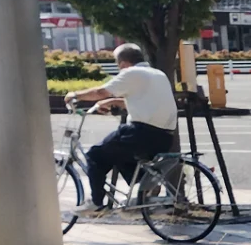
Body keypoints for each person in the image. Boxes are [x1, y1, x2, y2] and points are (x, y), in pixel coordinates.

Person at [67, 43, 178, 214]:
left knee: (95, 155)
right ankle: (146, 191)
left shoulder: (131, 72)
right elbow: (146, 102)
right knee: (120, 156)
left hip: (140, 133)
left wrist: (75, 95)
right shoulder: (157, 74)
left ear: (123, 63)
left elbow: (100, 92)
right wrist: (113, 102)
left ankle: (96, 203)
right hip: (164, 136)